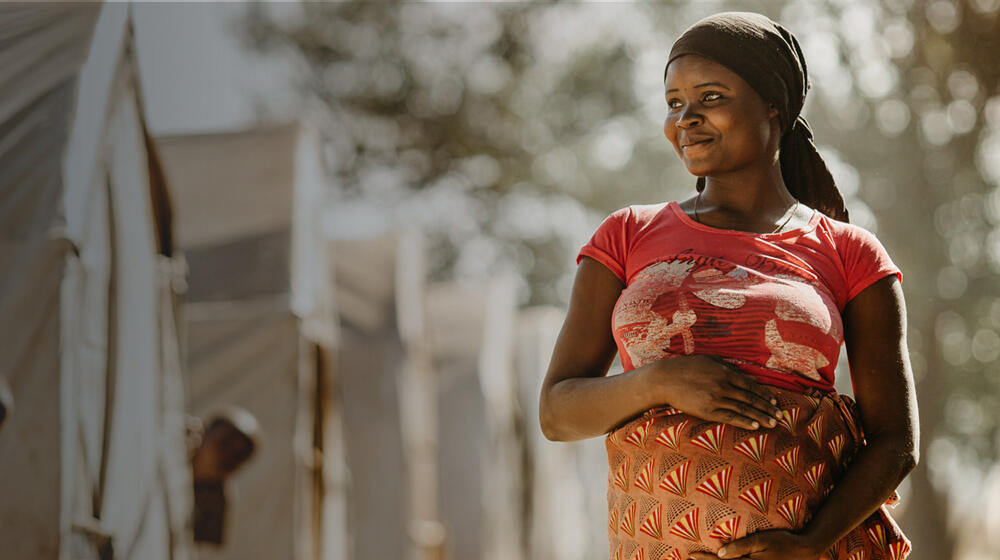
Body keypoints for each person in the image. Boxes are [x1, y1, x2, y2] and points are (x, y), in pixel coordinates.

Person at [538, 12, 918, 560]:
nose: (685, 119)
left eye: (710, 97)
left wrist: (809, 544)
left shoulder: (849, 252)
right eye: (673, 103)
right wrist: (659, 382)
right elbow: (556, 412)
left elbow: (895, 441)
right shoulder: (627, 236)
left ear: (773, 105)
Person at [188, 406, 260, 545]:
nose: (225, 458)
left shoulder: (216, 500)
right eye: (224, 444)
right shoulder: (175, 445)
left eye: (237, 456)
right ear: (207, 432)